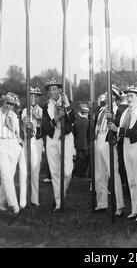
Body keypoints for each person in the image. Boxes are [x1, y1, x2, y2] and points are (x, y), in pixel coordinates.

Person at [108, 85, 137, 221]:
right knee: (131, 180)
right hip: (126, 146)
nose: (129, 98)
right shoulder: (125, 112)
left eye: (132, 96)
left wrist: (118, 130)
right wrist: (113, 123)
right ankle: (135, 209)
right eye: (127, 95)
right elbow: (118, 125)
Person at [41, 78, 75, 212]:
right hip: (52, 137)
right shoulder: (46, 107)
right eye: (49, 90)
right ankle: (59, 202)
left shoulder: (67, 102)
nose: (51, 92)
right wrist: (56, 118)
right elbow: (45, 127)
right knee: (55, 172)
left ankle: (60, 196)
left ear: (60, 90)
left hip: (65, 136)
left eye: (54, 89)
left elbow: (72, 119)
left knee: (67, 172)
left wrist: (66, 106)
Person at [94, 85, 124, 216]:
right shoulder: (101, 109)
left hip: (108, 141)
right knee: (99, 174)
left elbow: (119, 126)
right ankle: (101, 203)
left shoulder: (118, 110)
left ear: (115, 96)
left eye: (110, 93)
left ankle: (119, 205)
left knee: (113, 173)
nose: (107, 94)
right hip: (98, 139)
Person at [18, 86, 43, 208]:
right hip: (25, 142)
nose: (33, 98)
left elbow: (45, 123)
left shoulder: (42, 110)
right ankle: (22, 201)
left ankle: (35, 199)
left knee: (35, 171)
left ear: (39, 98)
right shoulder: (24, 110)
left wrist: (37, 117)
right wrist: (27, 121)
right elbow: (24, 120)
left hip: (36, 142)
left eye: (35, 96)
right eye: (31, 96)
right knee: (23, 171)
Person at [72, 103, 90, 178]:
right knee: (85, 160)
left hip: (77, 143)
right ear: (86, 113)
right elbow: (89, 134)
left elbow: (74, 133)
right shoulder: (89, 122)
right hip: (86, 144)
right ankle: (82, 173)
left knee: (79, 159)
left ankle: (78, 173)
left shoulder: (76, 122)